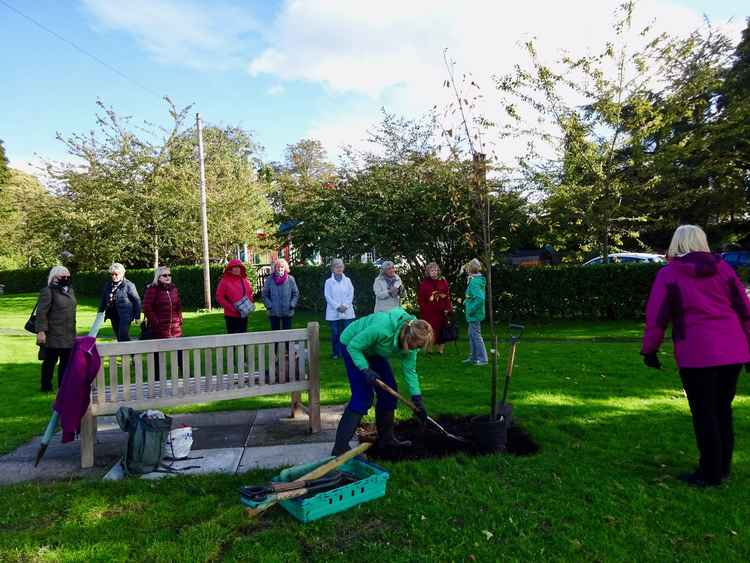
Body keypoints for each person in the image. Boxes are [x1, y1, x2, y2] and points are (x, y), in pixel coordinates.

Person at [642, 224, 750, 487]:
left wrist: (649, 350)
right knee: (722, 410)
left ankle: (710, 472)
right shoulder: (724, 269)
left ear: (676, 243)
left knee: (704, 414)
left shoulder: (669, 275)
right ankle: (721, 467)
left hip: (697, 352)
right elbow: (744, 310)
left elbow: (657, 317)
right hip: (732, 350)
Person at [331, 307, 433, 455]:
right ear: (408, 337)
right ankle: (340, 448)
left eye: (420, 347)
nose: (416, 349)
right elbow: (354, 346)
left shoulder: (411, 346)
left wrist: (417, 399)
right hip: (351, 344)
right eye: (416, 345)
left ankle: (387, 439)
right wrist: (365, 369)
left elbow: (410, 371)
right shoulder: (382, 329)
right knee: (363, 398)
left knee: (390, 392)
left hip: (373, 349)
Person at [35, 266, 77, 392]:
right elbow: (41, 313)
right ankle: (46, 387)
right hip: (53, 333)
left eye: (68, 276)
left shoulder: (70, 290)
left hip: (68, 333)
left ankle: (62, 387)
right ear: (54, 277)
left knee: (66, 362)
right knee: (50, 362)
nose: (66, 278)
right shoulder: (48, 291)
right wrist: (41, 331)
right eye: (62, 276)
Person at [98, 263, 141, 342]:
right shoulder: (108, 285)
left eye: (116, 274)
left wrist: (137, 317)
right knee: (118, 336)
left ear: (122, 274)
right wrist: (100, 312)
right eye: (112, 274)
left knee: (123, 336)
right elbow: (104, 300)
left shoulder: (129, 285)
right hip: (113, 315)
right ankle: (126, 353)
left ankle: (131, 353)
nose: (114, 276)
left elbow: (137, 301)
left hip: (125, 315)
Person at [417, 262, 452, 354]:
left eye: (435, 270)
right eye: (432, 270)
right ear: (428, 272)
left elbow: (447, 296)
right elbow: (420, 298)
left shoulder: (443, 281)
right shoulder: (424, 283)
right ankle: (429, 349)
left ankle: (440, 350)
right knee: (429, 330)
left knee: (441, 329)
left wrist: (447, 308)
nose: (434, 272)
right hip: (429, 311)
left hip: (441, 310)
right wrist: (423, 308)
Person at [324, 259, 355, 359]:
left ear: (343, 268)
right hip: (333, 311)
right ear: (332, 269)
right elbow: (327, 296)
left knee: (347, 333)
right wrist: (337, 307)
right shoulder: (328, 282)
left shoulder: (348, 280)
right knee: (335, 333)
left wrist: (345, 305)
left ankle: (347, 353)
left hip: (347, 310)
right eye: (336, 266)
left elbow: (351, 294)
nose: (339, 268)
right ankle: (336, 353)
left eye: (341, 266)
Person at [216, 259, 254, 334]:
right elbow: (219, 297)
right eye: (235, 267)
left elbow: (250, 293)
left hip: (243, 314)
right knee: (232, 340)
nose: (237, 269)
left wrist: (249, 303)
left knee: (243, 338)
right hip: (231, 315)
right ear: (230, 269)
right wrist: (232, 308)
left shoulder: (244, 280)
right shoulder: (224, 281)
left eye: (239, 267)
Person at [262, 258, 299, 330]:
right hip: (273, 311)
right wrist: (269, 306)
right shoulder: (269, 279)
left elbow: (296, 293)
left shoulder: (290, 279)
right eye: (278, 267)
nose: (280, 268)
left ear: (285, 268)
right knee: (275, 335)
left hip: (287, 310)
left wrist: (292, 304)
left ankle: (287, 342)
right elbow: (264, 295)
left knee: (287, 334)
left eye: (282, 267)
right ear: (275, 268)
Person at [463, 258, 488, 366]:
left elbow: (480, 298)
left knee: (476, 336)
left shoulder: (474, 282)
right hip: (474, 313)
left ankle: (482, 359)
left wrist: (471, 309)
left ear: (470, 269)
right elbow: (474, 297)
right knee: (471, 335)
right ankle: (473, 357)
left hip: (474, 314)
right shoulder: (476, 280)